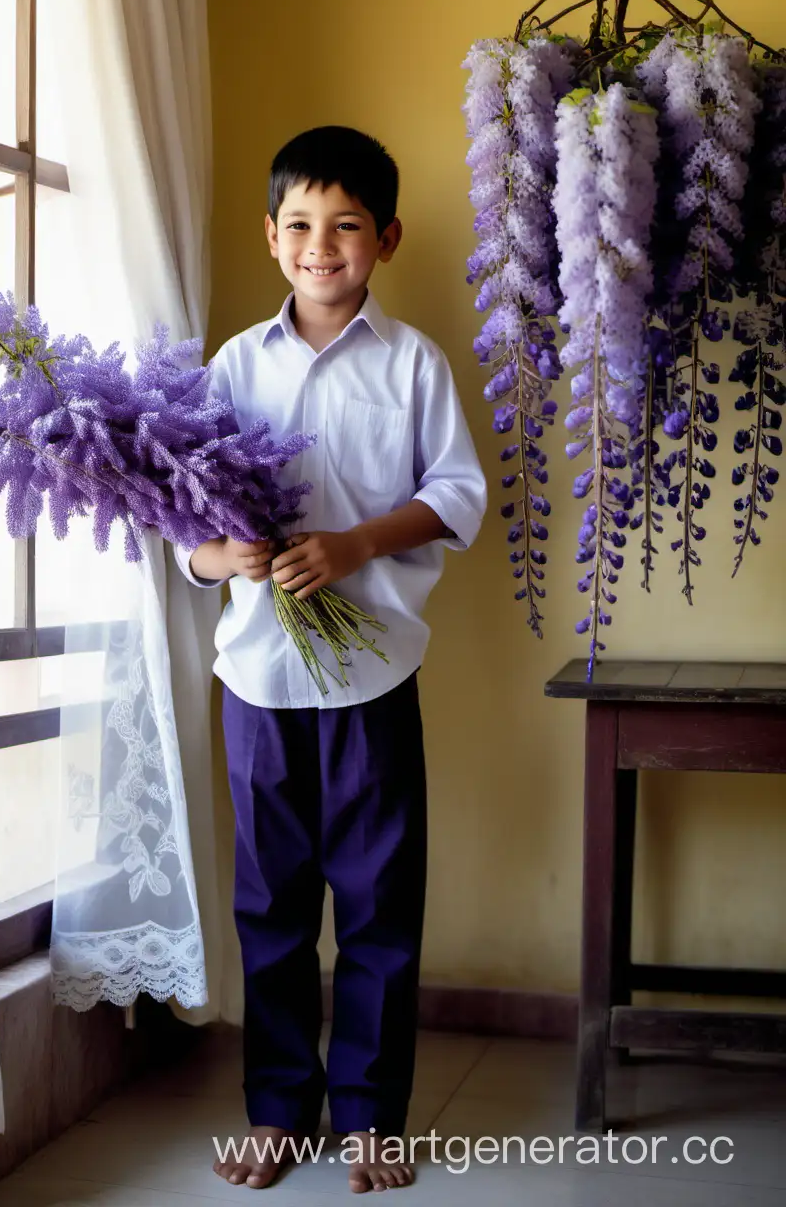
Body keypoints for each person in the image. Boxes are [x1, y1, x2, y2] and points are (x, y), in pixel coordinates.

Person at [178, 125, 486, 1193]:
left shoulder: (411, 365)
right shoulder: (230, 365)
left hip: (372, 679)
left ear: (385, 238)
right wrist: (234, 555)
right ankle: (276, 1108)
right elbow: (189, 530)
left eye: (345, 225)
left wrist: (355, 543)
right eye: (300, 224)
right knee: (268, 905)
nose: (321, 245)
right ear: (270, 237)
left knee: (377, 903)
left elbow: (457, 496)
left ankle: (369, 1114)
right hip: (258, 678)